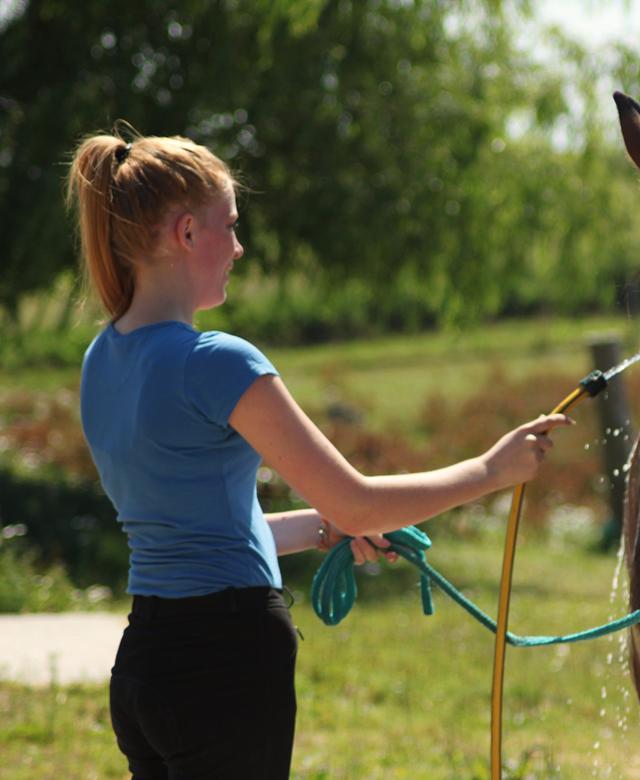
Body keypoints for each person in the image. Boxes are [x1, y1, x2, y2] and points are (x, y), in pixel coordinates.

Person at [67, 130, 571, 779]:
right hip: (225, 663)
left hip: (145, 663)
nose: (239, 247)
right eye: (231, 226)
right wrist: (491, 470)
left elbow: (197, 529)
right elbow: (356, 499)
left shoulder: (101, 359)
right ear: (186, 233)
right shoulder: (216, 362)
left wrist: (321, 528)